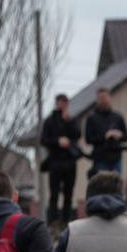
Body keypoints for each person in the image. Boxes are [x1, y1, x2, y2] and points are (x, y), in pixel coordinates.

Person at [41, 93, 82, 222]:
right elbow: (44, 140)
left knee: (68, 194)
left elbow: (77, 135)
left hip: (70, 161)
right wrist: (58, 141)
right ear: (56, 103)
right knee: (54, 193)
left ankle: (66, 221)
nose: (62, 104)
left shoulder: (72, 119)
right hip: (55, 161)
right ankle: (52, 221)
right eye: (60, 102)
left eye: (65, 102)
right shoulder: (49, 121)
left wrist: (68, 122)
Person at [83, 88, 127, 175]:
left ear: (110, 98)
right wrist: (105, 136)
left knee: (116, 186)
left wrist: (119, 135)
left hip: (116, 158)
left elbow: (126, 136)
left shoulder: (118, 117)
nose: (103, 100)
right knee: (102, 186)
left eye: (105, 97)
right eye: (101, 98)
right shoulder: (92, 118)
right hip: (100, 158)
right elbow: (88, 139)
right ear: (97, 100)